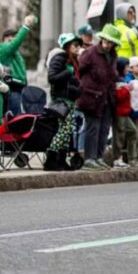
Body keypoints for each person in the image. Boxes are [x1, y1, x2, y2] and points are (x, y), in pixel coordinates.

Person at [76, 24, 121, 169]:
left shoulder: (113, 55)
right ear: (101, 39)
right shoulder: (90, 53)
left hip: (107, 97)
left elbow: (112, 75)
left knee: (104, 129)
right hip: (92, 97)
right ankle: (89, 158)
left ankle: (99, 156)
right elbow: (79, 71)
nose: (107, 44)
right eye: (105, 41)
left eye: (110, 42)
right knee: (92, 128)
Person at [45, 33, 83, 171]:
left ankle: (61, 160)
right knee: (63, 130)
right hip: (61, 99)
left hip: (70, 100)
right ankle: (50, 159)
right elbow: (52, 78)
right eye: (75, 45)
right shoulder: (60, 58)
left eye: (79, 45)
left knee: (67, 132)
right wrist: (67, 72)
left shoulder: (74, 60)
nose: (78, 48)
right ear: (67, 46)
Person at [0, 15, 36, 116]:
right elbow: (14, 45)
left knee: (18, 118)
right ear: (3, 41)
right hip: (11, 90)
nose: (10, 39)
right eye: (7, 37)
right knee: (13, 120)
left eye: (13, 36)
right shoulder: (3, 49)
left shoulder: (16, 55)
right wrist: (26, 26)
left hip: (19, 89)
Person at [111, 58, 138, 167]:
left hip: (125, 112)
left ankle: (132, 158)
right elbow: (118, 96)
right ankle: (117, 159)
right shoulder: (117, 80)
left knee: (133, 131)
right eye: (126, 67)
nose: (128, 69)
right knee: (119, 136)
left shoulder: (122, 79)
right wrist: (127, 89)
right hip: (119, 112)